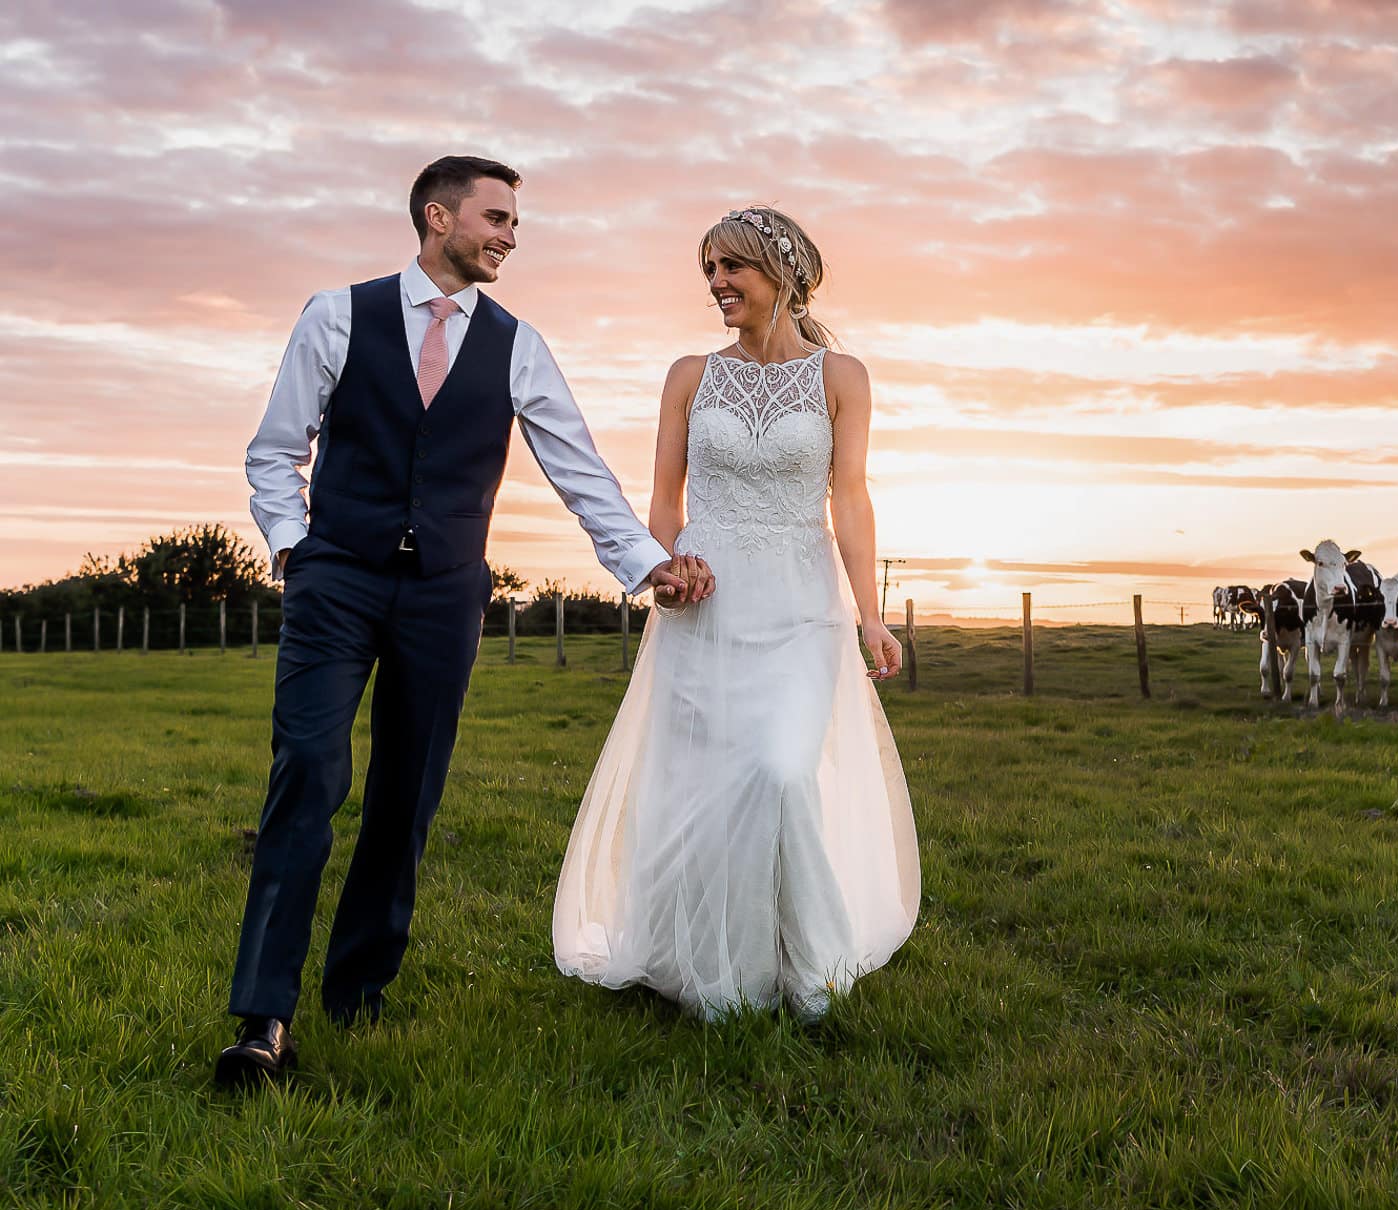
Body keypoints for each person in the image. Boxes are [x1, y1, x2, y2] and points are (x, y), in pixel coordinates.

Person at [220, 156, 702, 1087]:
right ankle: (263, 1017)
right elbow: (276, 451)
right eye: (497, 218)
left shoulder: (518, 344)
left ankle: (356, 993)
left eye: (515, 223)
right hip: (337, 583)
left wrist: (645, 566)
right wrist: (294, 548)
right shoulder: (336, 313)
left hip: (445, 595)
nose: (510, 237)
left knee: (406, 796)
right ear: (437, 218)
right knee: (307, 777)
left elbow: (580, 469)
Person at [552, 206, 919, 1021]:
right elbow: (662, 496)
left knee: (781, 770)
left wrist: (871, 614)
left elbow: (849, 499)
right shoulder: (689, 374)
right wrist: (662, 568)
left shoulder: (841, 376)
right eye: (708, 271)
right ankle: (707, 963)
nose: (716, 284)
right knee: (699, 785)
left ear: (780, 273)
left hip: (798, 600)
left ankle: (805, 962)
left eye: (731, 268)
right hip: (705, 603)